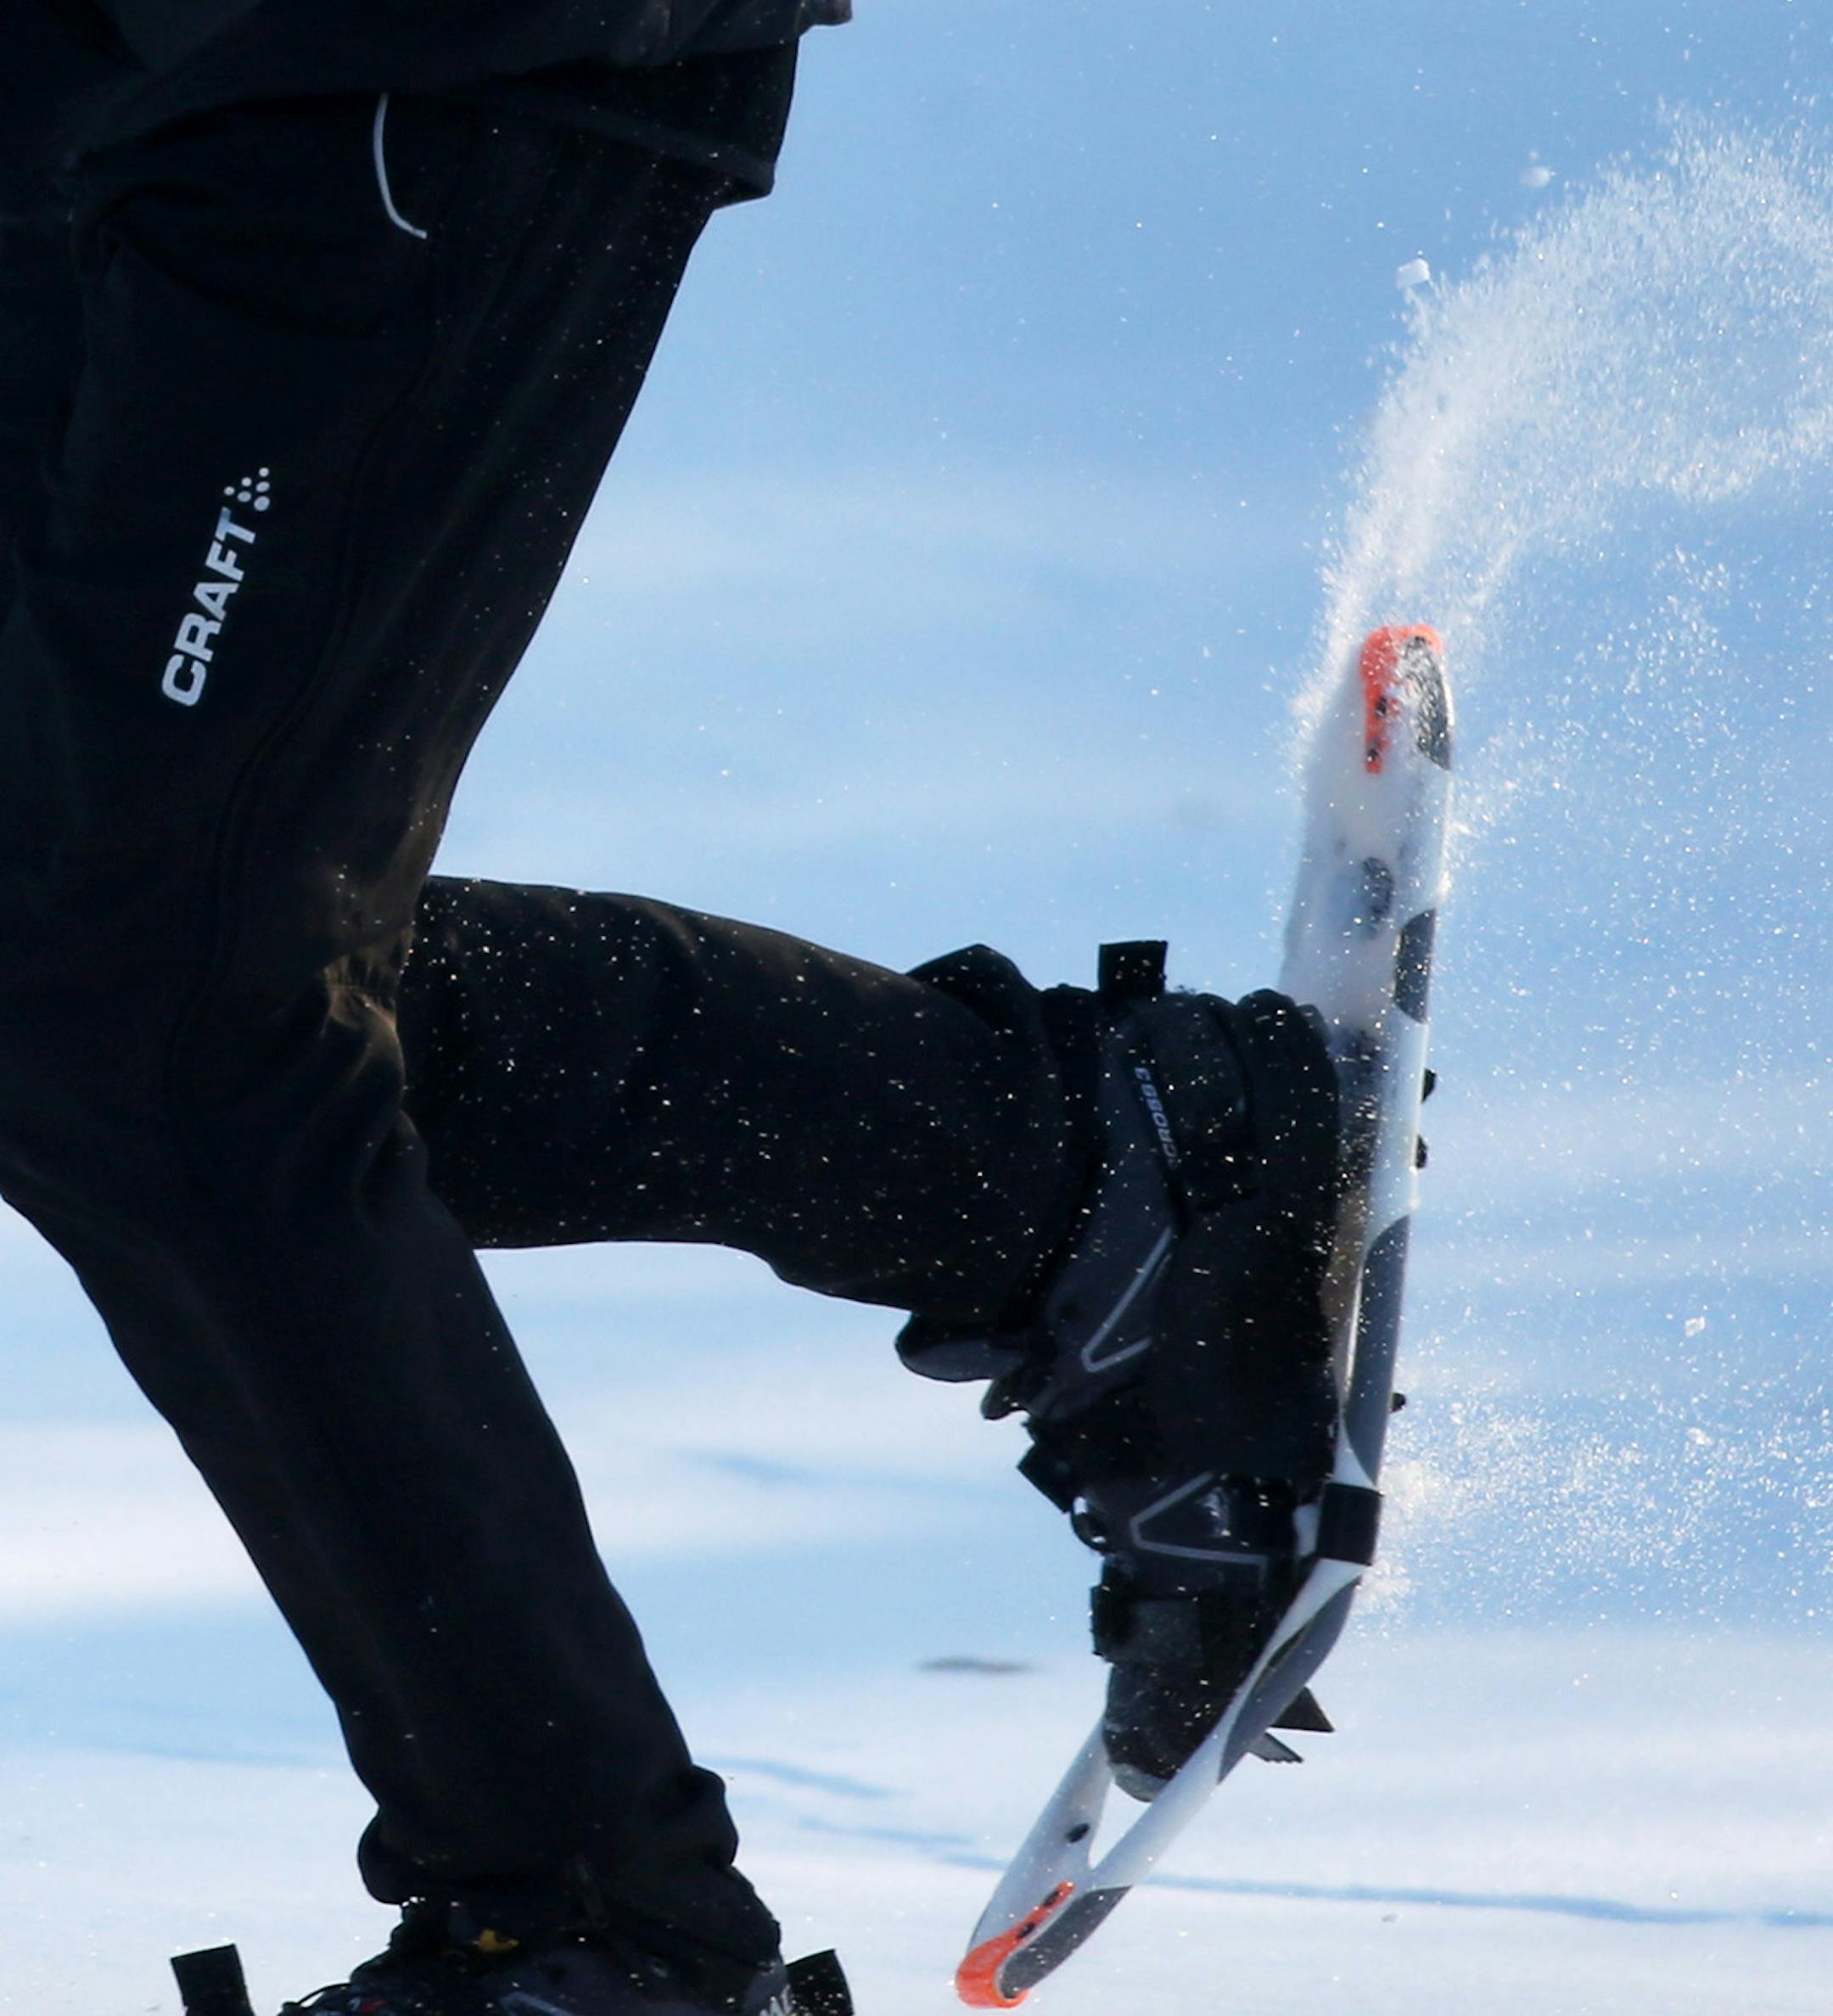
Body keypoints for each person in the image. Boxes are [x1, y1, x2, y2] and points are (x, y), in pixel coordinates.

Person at [0, 7, 1343, 2013]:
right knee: (117, 978)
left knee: (164, 1013)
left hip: (387, 62)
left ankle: (596, 1927)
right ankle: (1069, 1181)